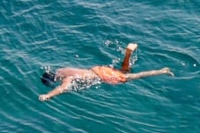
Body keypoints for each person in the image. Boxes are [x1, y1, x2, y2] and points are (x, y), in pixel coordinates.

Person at [39, 43, 172, 101]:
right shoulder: (63, 70)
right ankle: (127, 55)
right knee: (124, 71)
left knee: (133, 76)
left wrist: (48, 95)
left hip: (102, 76)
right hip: (98, 69)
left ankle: (162, 71)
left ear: (54, 80)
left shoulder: (67, 79)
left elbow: (62, 89)